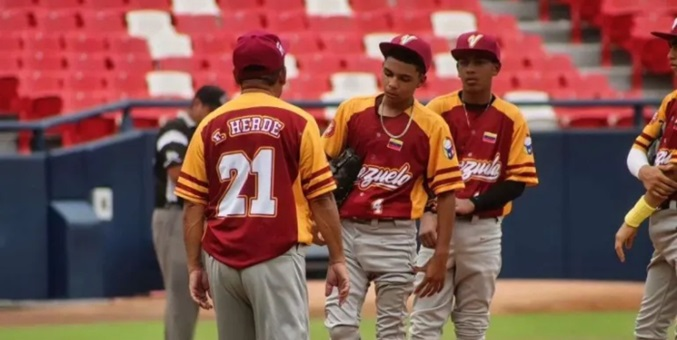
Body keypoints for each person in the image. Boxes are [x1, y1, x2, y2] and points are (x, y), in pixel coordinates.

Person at [173, 31, 350, 340]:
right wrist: (337, 258)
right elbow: (321, 199)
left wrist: (194, 266)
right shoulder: (298, 122)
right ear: (281, 74)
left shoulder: (208, 125)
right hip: (276, 255)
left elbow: (192, 205)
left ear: (236, 75)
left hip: (221, 260)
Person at [322, 34, 466, 340]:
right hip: (348, 230)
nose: (392, 84)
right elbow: (322, 164)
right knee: (340, 327)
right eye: (388, 73)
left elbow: (447, 192)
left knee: (391, 332)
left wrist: (440, 256)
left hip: (396, 235)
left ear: (421, 80)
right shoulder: (353, 111)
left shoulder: (431, 126)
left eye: (403, 78)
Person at [409, 31, 539, 340]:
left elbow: (517, 181)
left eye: (479, 62)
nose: (469, 69)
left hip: (483, 230)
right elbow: (415, 168)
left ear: (496, 68)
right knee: (424, 322)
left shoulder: (511, 117)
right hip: (438, 229)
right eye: (463, 62)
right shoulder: (436, 110)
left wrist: (474, 203)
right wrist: (428, 211)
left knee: (473, 325)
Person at [616, 20, 677, 340]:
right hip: (665, 223)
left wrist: (632, 218)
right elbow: (636, 151)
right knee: (649, 330)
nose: (671, 52)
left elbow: (671, 178)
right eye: (671, 44)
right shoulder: (671, 101)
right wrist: (645, 171)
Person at [151, 84, 226, 340]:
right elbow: (176, 173)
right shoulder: (175, 130)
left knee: (228, 285)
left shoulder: (212, 130)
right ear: (197, 105)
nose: (214, 113)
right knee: (183, 291)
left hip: (208, 214)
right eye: (211, 108)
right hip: (176, 214)